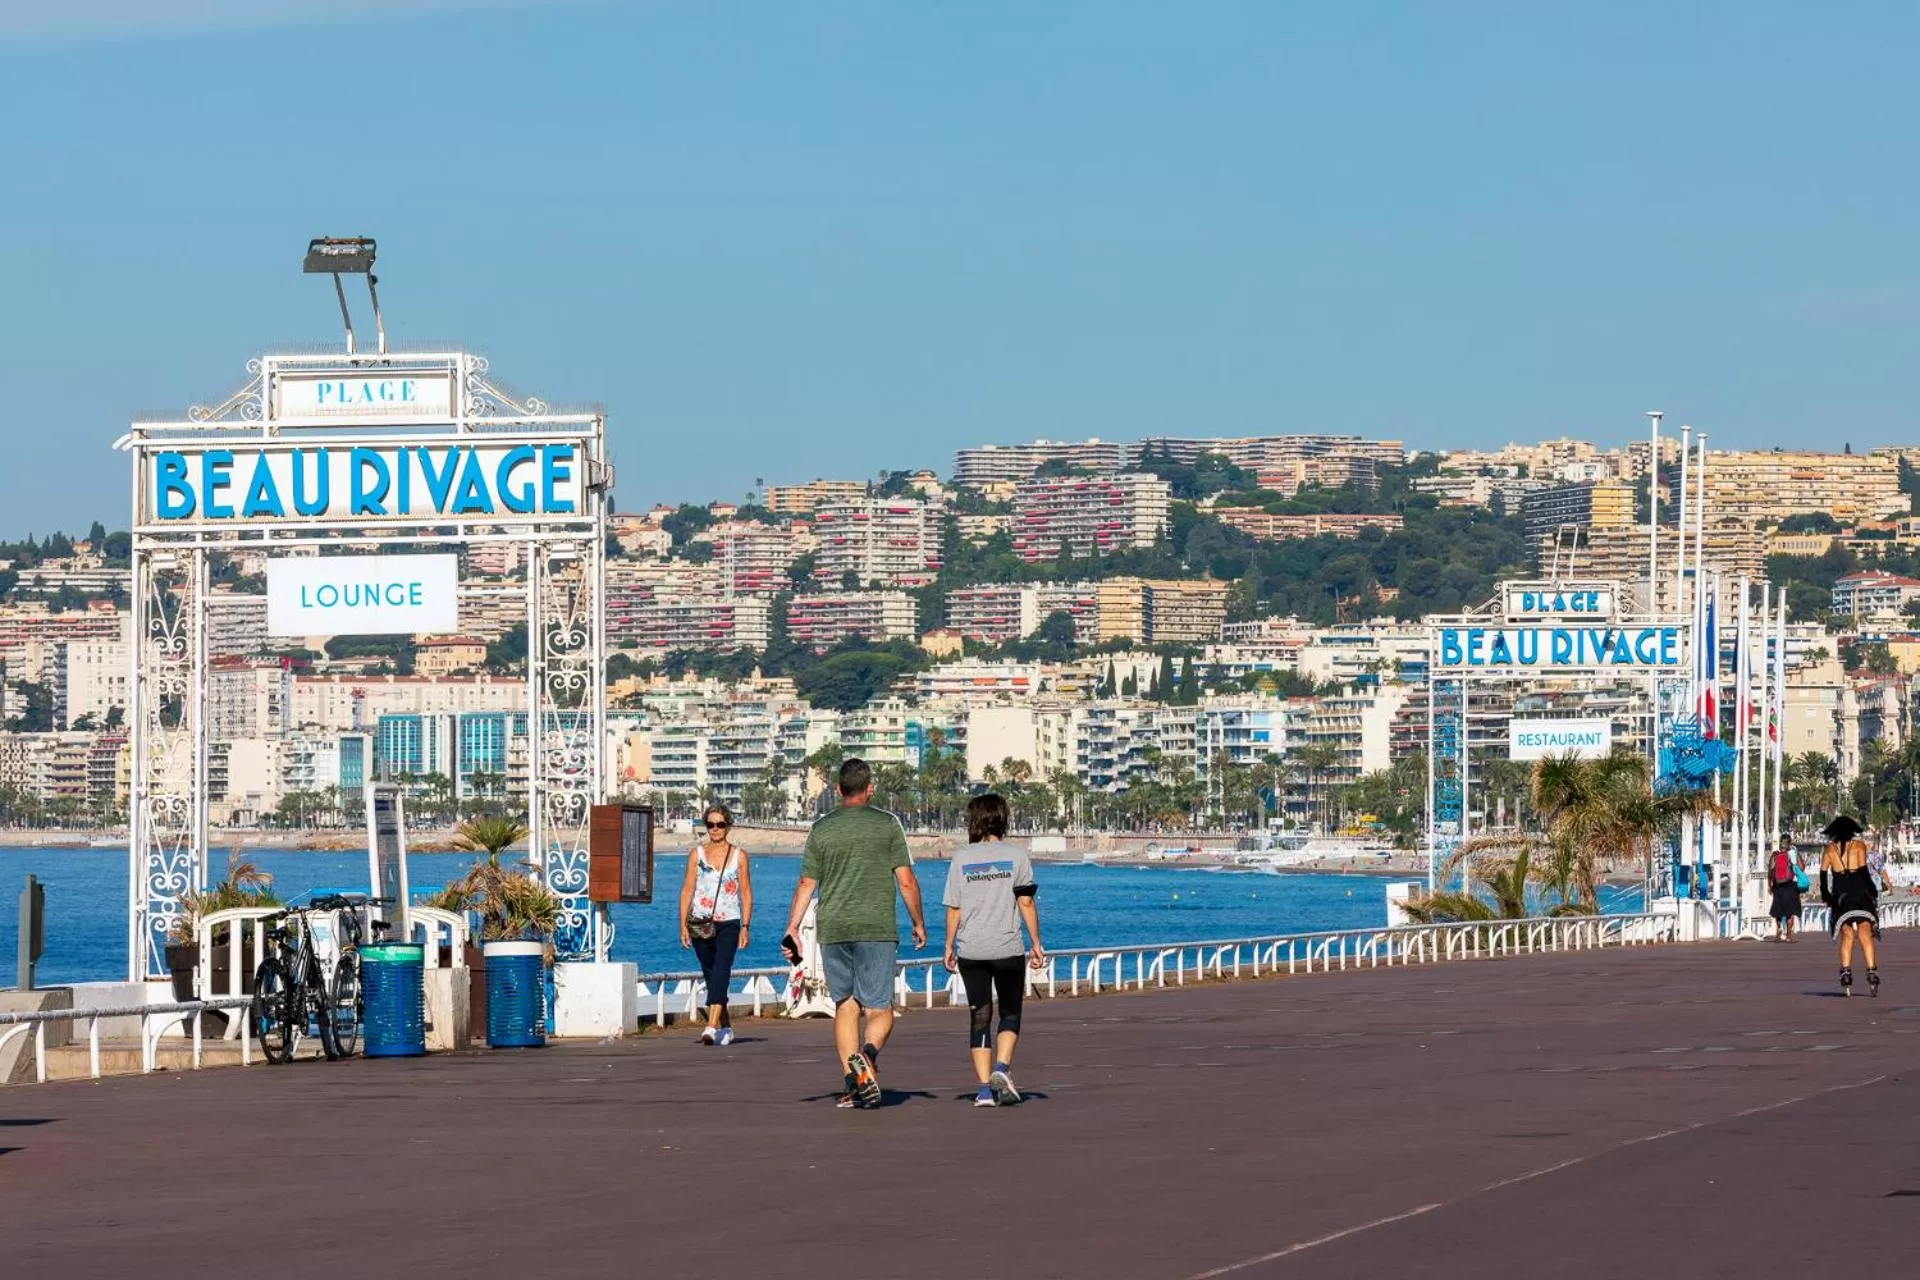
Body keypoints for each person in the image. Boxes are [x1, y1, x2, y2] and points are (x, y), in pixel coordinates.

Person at [784, 758, 926, 1109]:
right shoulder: (888, 824)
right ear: (870, 788)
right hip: (876, 927)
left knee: (845, 1005)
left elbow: (806, 883)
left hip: (833, 929)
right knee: (880, 1009)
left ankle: (853, 1081)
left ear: (838, 790)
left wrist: (792, 927)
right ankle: (868, 1054)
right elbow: (905, 880)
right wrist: (918, 922)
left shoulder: (821, 829)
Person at [942, 793, 1045, 1108]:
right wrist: (1036, 943)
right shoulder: (1016, 857)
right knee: (1010, 1012)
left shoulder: (961, 858)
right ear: (1003, 819)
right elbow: (1025, 902)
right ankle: (1002, 1067)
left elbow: (954, 908)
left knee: (980, 1016)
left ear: (974, 821)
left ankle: (985, 1090)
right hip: (1007, 948)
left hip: (971, 949)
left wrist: (948, 945)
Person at [678, 803, 751, 1045]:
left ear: (728, 826)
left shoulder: (739, 856)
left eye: (720, 824)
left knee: (722, 971)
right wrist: (682, 925)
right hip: (700, 922)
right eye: (710, 825)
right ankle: (727, 1026)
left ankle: (710, 1027)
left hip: (729, 921)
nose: (715, 829)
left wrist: (745, 926)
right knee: (711, 975)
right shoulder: (695, 855)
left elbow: (746, 893)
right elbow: (687, 890)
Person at [1819, 815, 1881, 997]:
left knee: (1846, 936)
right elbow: (1863, 870)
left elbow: (1823, 875)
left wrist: (1827, 896)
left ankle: (1846, 973)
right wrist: (1872, 891)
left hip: (1841, 895)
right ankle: (1871, 971)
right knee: (1865, 933)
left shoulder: (1829, 849)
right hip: (1859, 893)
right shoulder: (1859, 845)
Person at [1765, 837, 1803, 942]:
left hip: (1777, 886)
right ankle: (1789, 935)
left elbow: (1770, 871)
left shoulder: (1775, 855)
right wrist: (1796, 853)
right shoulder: (1792, 854)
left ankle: (1778, 931)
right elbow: (1802, 868)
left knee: (1778, 910)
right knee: (1790, 912)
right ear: (1789, 843)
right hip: (1790, 885)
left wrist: (1769, 885)